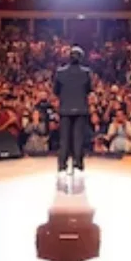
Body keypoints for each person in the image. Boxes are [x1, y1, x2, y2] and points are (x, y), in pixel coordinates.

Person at [53, 45, 92, 177]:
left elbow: (56, 91)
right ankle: (78, 166)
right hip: (80, 109)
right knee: (78, 139)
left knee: (64, 139)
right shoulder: (86, 72)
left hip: (65, 109)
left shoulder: (60, 72)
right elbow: (88, 89)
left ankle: (62, 167)